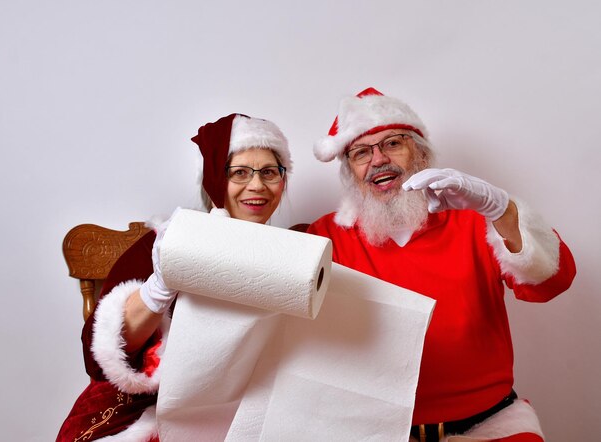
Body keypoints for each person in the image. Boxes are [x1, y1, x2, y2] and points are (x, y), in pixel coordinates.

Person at [307, 87, 576, 442]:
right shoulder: (328, 234)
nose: (377, 160)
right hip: (376, 432)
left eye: (392, 144)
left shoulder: (476, 218)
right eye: (361, 152)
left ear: (419, 152)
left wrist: (503, 211)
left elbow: (552, 282)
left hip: (492, 427)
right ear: (349, 171)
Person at [57, 113, 292, 442]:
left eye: (269, 172)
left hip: (243, 410)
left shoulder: (293, 256)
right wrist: (160, 286)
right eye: (239, 172)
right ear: (214, 180)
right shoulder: (163, 243)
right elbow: (99, 359)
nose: (257, 185)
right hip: (151, 410)